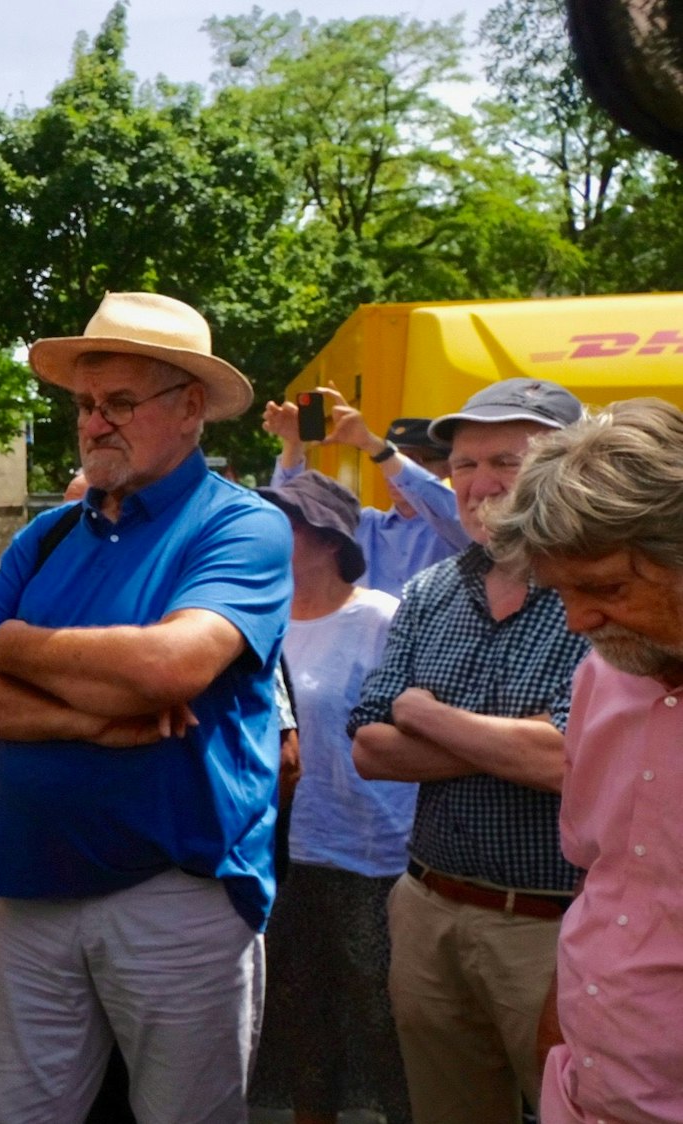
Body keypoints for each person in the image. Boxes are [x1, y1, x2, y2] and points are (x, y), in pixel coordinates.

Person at [0, 291, 292, 1122]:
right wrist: (89, 720)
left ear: (190, 407)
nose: (94, 423)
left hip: (176, 892)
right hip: (31, 884)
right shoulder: (50, 534)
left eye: (119, 402)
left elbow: (168, 667)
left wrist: (17, 646)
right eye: (85, 405)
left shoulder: (241, 527)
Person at [348, 378, 590, 1123]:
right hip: (427, 909)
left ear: (567, 468)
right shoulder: (429, 591)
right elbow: (367, 748)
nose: (478, 484)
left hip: (556, 928)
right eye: (462, 465)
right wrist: (511, 736)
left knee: (580, 1109)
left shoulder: (600, 590)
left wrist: (423, 712)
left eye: (504, 463)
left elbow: (567, 763)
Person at [482, 398, 683, 1124]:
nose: (577, 622)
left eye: (603, 588)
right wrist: (561, 1020)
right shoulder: (601, 674)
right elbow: (604, 879)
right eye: (559, 592)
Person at [247, 471, 412, 1124]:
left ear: (324, 539)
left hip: (370, 856)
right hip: (280, 853)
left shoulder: (378, 618)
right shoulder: (254, 621)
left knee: (382, 1020)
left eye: (281, 522)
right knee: (297, 1018)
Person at [262, 387, 469, 597]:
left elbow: (441, 505)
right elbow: (288, 519)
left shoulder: (459, 524)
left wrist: (373, 446)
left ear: (448, 467)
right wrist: (293, 444)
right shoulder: (364, 523)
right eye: (392, 460)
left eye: (415, 460)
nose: (393, 472)